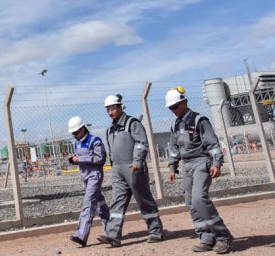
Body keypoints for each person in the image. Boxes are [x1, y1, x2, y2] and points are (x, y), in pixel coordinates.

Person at [165, 86, 233, 254]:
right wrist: (172, 166)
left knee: (199, 199)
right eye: (170, 108)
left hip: (202, 162)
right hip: (187, 165)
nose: (173, 110)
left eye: (175, 106)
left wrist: (217, 163)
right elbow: (174, 148)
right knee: (191, 203)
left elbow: (213, 143)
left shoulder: (199, 120)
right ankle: (206, 237)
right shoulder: (175, 124)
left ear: (184, 102)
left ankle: (222, 236)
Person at [97, 94, 164, 247]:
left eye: (113, 109)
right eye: (108, 110)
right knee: (117, 202)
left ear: (120, 107)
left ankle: (156, 231)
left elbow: (141, 143)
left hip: (133, 167)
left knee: (144, 200)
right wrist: (113, 166)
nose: (110, 112)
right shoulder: (110, 129)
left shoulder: (132, 123)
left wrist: (137, 161)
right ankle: (113, 235)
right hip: (118, 170)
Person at [67, 116, 110, 247]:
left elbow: (100, 158)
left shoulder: (94, 140)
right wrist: (74, 160)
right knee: (100, 204)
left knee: (89, 203)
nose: (74, 135)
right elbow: (82, 160)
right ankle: (112, 230)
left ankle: (81, 235)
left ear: (83, 129)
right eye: (72, 133)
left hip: (94, 176)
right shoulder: (77, 143)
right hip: (85, 177)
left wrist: (80, 159)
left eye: (76, 132)